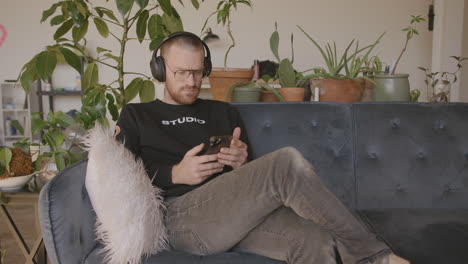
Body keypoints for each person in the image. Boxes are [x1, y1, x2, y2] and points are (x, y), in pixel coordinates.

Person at [115, 31, 408, 264]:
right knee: (286, 162)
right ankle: (375, 255)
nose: (191, 82)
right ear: (159, 69)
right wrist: (175, 173)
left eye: (197, 72)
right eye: (181, 73)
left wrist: (242, 162)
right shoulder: (136, 115)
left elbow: (253, 180)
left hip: (232, 217)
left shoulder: (224, 111)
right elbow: (118, 179)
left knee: (315, 238)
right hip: (180, 220)